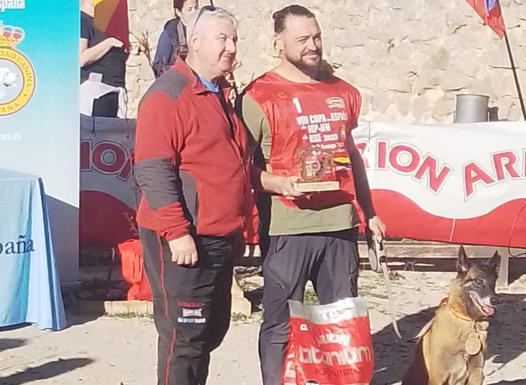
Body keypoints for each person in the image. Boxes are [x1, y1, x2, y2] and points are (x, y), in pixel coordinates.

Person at [238, 5, 386, 385]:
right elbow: (239, 166)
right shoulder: (258, 96)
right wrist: (276, 183)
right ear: (279, 42)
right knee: (280, 323)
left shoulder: (344, 92)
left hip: (339, 224)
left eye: (316, 36)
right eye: (302, 39)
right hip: (288, 226)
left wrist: (368, 211)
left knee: (341, 322)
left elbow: (350, 157)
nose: (313, 46)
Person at [134, 6, 248, 385]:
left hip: (217, 237)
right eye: (223, 39)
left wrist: (239, 229)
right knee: (184, 337)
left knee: (209, 333)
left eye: (234, 39)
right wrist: (177, 231)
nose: (231, 47)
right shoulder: (168, 95)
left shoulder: (218, 93)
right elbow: (152, 168)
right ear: (194, 42)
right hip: (184, 239)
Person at [79, 0, 127, 117]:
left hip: (115, 90)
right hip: (96, 91)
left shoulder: (110, 19)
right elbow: (81, 59)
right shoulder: (82, 20)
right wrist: (109, 43)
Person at [152, 0, 198, 77]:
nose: (194, 13)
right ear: (178, 12)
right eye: (189, 9)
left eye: (196, 8)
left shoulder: (203, 30)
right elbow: (159, 66)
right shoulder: (170, 34)